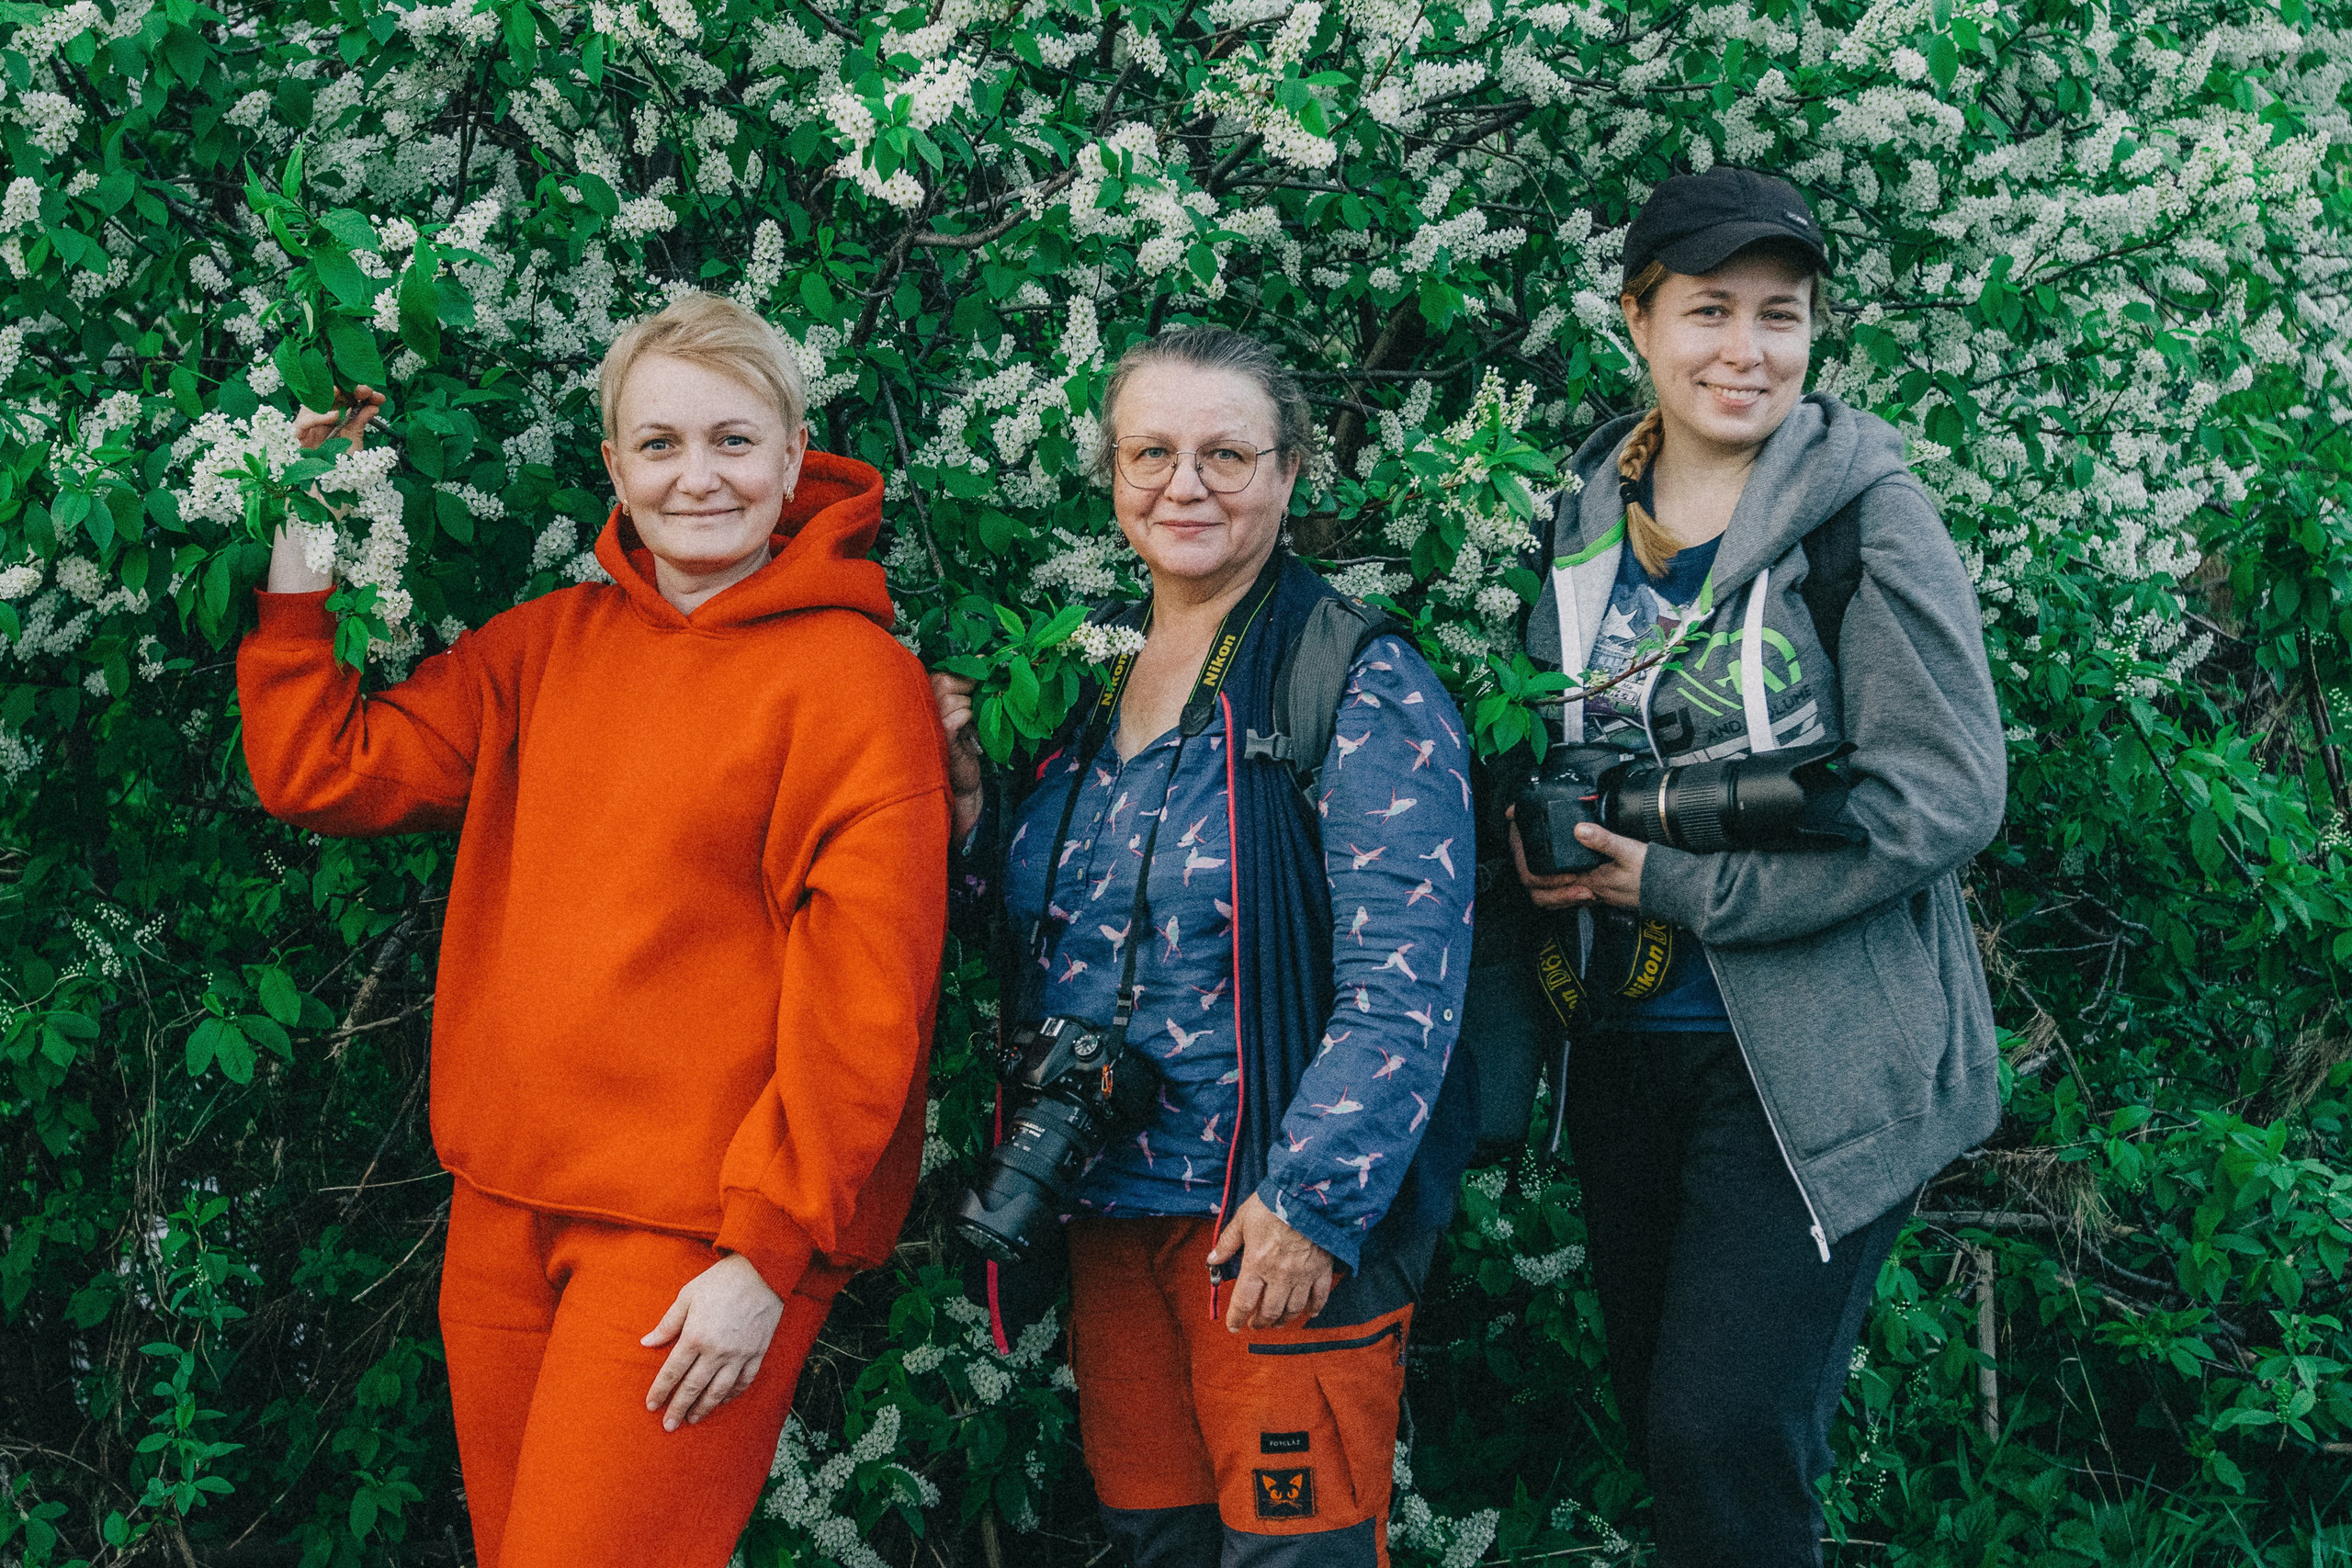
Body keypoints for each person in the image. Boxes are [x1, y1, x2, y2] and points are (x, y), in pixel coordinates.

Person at [236, 293, 951, 1568]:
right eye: (661, 444)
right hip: (503, 1211)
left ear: (795, 456)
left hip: (696, 1240)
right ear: (614, 467)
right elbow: (323, 769)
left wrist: (763, 1257)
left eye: (734, 441)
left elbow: (867, 1000)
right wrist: (307, 515)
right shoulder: (545, 648)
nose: (699, 477)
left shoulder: (853, 681)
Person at [1511, 165, 2006, 1564]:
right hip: (1623, 1042)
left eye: (1780, 317)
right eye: (1709, 312)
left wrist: (1683, 884)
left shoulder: (1865, 511)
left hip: (1818, 1060)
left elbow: (1946, 795)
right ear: (1637, 324)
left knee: (1722, 1438)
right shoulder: (1579, 520)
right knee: (1667, 1435)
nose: (1746, 351)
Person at [934, 326, 1478, 1568]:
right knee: (1151, 1542)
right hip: (1104, 1207)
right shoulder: (1085, 667)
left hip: (1269, 1224)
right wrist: (968, 802)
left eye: (1226, 454)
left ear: (1290, 474)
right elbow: (1023, 926)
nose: (1185, 485)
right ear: (1113, 475)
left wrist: (1314, 1202)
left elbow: (1410, 977)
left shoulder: (1350, 675)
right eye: (1153, 453)